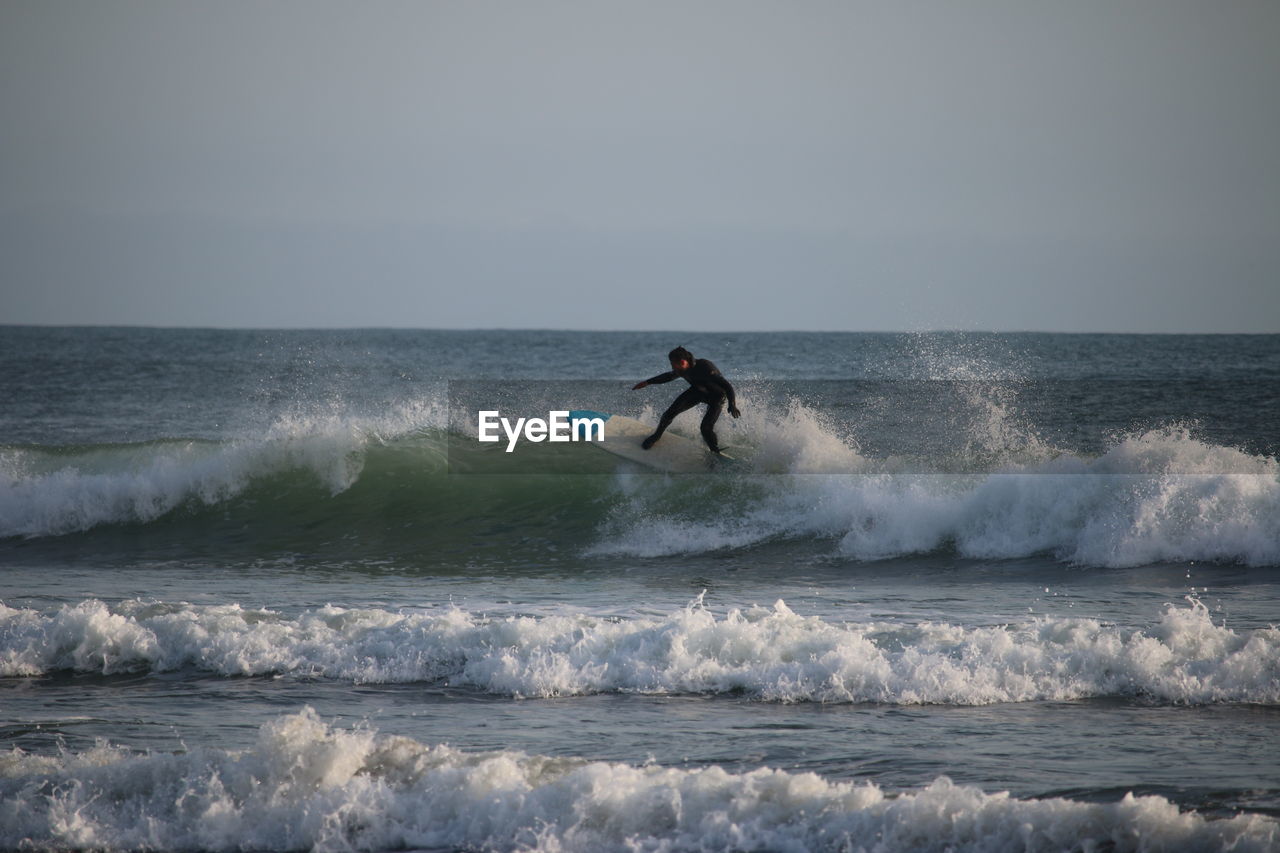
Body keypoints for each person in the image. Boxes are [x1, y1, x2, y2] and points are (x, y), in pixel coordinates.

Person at [631, 346, 740, 454]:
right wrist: (648, 382)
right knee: (668, 414)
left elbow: (727, 386)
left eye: (673, 364)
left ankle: (714, 451)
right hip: (698, 391)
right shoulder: (682, 369)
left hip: (717, 397)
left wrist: (732, 404)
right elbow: (669, 376)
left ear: (683, 362)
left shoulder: (705, 367)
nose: (672, 367)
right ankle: (656, 436)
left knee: (705, 428)